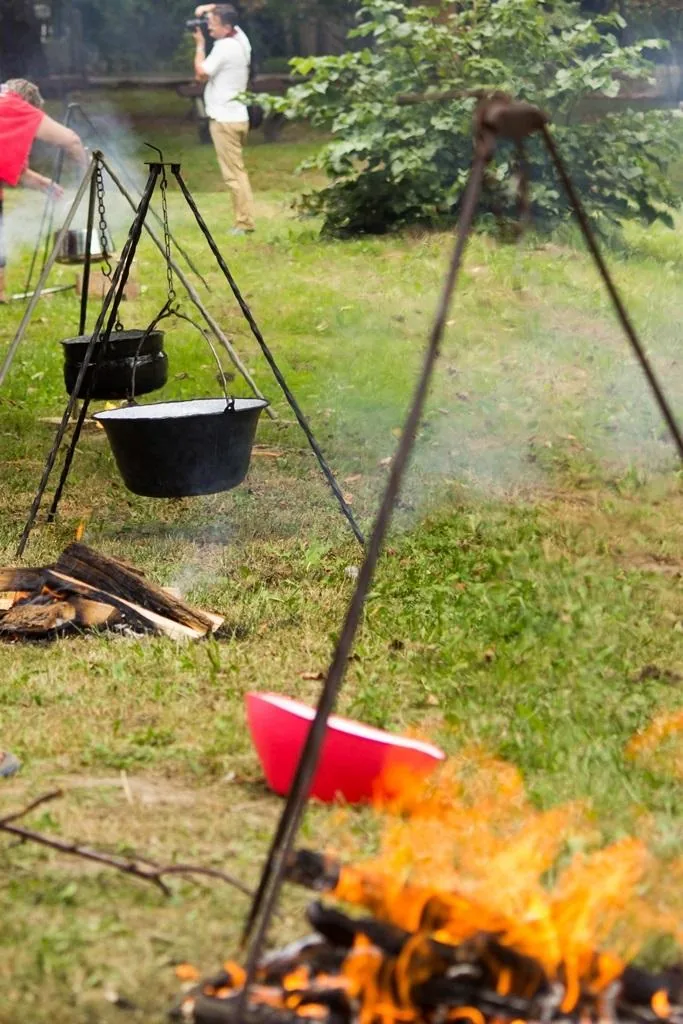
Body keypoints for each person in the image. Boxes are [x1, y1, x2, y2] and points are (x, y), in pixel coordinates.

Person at [0, 78, 88, 302]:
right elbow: (72, 141)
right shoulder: (17, 106)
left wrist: (44, 185)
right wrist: (88, 170)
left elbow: (17, 171)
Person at [193, 3, 256, 236]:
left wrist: (200, 46)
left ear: (227, 26)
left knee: (234, 174)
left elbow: (201, 74)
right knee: (238, 170)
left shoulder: (223, 47)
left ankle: (244, 222)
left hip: (224, 119)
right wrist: (208, 8)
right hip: (238, 116)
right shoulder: (241, 40)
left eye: (213, 24)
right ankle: (244, 219)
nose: (209, 28)